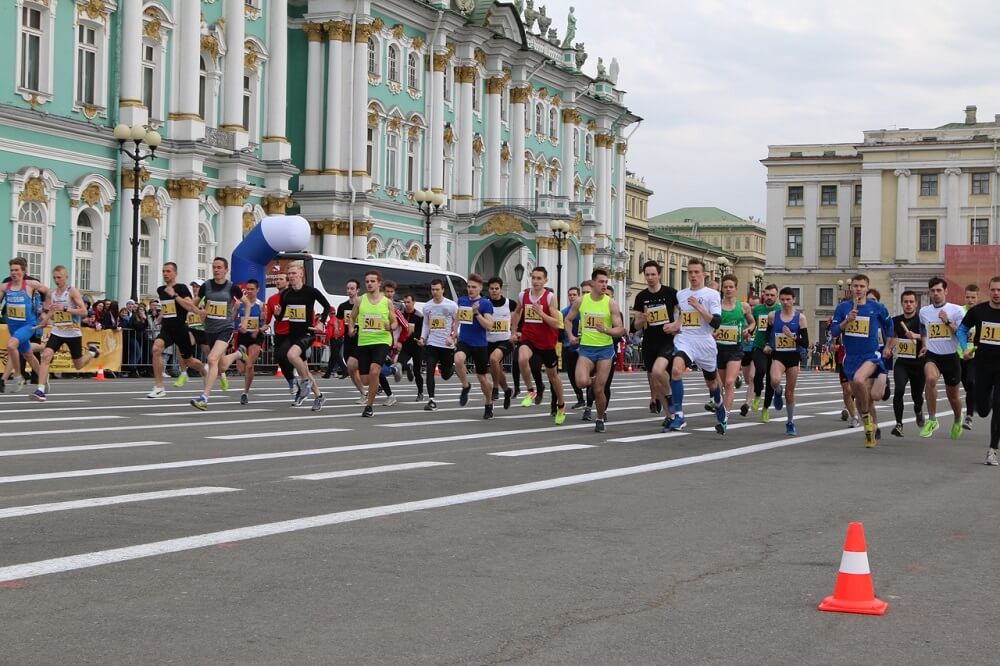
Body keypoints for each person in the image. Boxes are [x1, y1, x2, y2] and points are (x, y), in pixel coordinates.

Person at [662, 258, 726, 434]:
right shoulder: (681, 295)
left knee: (712, 384)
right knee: (676, 370)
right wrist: (674, 327)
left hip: (705, 342)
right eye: (690, 272)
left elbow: (716, 323)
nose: (693, 275)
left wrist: (699, 307)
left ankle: (719, 405)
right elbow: (683, 317)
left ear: (704, 274)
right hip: (686, 340)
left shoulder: (712, 295)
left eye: (696, 272)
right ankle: (679, 416)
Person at [830, 274, 893, 447]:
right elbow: (834, 331)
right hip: (851, 358)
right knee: (858, 394)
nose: (858, 289)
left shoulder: (877, 307)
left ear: (867, 287)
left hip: (871, 355)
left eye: (861, 286)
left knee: (859, 380)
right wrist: (846, 321)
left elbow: (890, 327)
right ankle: (868, 425)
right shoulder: (843, 308)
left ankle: (869, 422)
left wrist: (888, 346)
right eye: (855, 286)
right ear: (851, 288)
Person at [564, 268, 626, 433]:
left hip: (605, 350)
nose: (604, 285)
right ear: (593, 283)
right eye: (601, 282)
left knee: (599, 389)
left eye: (606, 282)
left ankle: (599, 418)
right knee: (581, 382)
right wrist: (570, 336)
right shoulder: (581, 301)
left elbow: (620, 329)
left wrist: (606, 330)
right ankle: (595, 379)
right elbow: (568, 319)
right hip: (586, 349)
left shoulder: (610, 303)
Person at [29, 265, 100, 401]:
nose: (57, 280)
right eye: (54, 278)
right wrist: (45, 320)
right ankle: (40, 390)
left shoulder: (72, 291)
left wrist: (66, 308)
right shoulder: (52, 293)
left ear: (66, 277)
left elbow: (84, 312)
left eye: (59, 277)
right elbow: (53, 309)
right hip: (57, 331)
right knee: (46, 356)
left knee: (78, 365)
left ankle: (92, 352)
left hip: (73, 333)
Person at [510, 267, 566, 424]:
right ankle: (530, 391)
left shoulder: (550, 298)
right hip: (529, 338)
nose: (535, 281)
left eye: (539, 278)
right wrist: (514, 331)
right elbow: (516, 313)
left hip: (547, 344)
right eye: (533, 277)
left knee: (553, 377)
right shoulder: (523, 295)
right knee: (522, 358)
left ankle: (561, 405)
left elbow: (557, 323)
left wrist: (541, 314)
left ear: (545, 281)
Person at [189, 257, 247, 410]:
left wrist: (245, 320)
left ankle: (204, 398)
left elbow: (246, 303)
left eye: (219, 267)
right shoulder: (206, 286)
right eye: (214, 267)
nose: (216, 270)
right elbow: (192, 305)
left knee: (212, 359)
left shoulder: (232, 287)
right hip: (210, 330)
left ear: (226, 270)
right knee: (220, 367)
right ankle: (238, 354)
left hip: (225, 328)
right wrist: (199, 311)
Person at [273, 262, 330, 410]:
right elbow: (280, 318)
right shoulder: (286, 294)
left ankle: (304, 384)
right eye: (289, 274)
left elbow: (327, 306)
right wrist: (277, 315)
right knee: (303, 367)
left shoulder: (310, 291)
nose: (291, 276)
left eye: (293, 274)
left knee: (292, 355)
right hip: (293, 334)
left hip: (307, 333)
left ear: (301, 275)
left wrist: (321, 323)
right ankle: (319, 396)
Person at [957, 276, 1000, 465]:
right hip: (982, 365)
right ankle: (988, 398)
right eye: (994, 290)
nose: (997, 293)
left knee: (999, 407)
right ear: (988, 290)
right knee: (982, 410)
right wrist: (965, 347)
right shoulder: (978, 311)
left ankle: (992, 449)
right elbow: (961, 330)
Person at [147, 262, 205, 398]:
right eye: (163, 271)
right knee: (156, 349)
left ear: (175, 273)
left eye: (168, 271)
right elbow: (168, 308)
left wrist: (174, 295)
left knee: (189, 361)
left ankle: (205, 369)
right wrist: (160, 317)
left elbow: (189, 306)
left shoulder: (182, 288)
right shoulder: (161, 290)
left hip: (180, 329)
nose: (165, 274)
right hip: (167, 329)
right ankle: (159, 387)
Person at [918, 276, 966, 439]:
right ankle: (932, 420)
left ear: (946, 291)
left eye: (939, 290)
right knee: (930, 379)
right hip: (933, 356)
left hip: (951, 358)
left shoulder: (957, 310)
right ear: (929, 293)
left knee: (953, 397)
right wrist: (924, 344)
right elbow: (924, 330)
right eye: (932, 291)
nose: (936, 293)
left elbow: (962, 334)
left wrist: (947, 321)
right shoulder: (924, 311)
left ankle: (958, 418)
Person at [632, 260, 678, 418]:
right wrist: (643, 318)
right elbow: (636, 325)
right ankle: (669, 415)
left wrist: (675, 325)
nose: (650, 277)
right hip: (649, 342)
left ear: (659, 275)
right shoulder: (641, 296)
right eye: (647, 275)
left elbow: (683, 313)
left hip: (667, 340)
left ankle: (671, 395)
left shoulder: (671, 293)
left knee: (660, 372)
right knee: (655, 381)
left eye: (653, 274)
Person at [349, 269, 397, 418]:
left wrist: (391, 326)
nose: (369, 284)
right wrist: (351, 328)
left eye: (372, 281)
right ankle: (388, 374)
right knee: (365, 380)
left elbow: (394, 321)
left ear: (379, 283)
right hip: (364, 342)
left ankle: (369, 406)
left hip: (382, 341)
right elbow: (351, 317)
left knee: (375, 370)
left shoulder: (387, 302)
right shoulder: (359, 300)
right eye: (367, 281)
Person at [763, 287, 808, 436]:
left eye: (788, 299)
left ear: (794, 300)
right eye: (782, 299)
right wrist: (768, 345)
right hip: (778, 355)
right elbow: (768, 334)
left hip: (793, 357)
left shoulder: (800, 318)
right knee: (774, 380)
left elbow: (806, 343)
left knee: (790, 393)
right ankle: (777, 391)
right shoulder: (772, 316)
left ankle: (790, 421)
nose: (785, 302)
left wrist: (793, 336)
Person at [454, 273, 496, 418]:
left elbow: (489, 326)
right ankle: (466, 386)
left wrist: (476, 313)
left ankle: (489, 403)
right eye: (469, 286)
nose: (470, 289)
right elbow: (458, 318)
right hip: (465, 341)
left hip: (480, 344)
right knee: (458, 359)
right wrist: (454, 333)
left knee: (482, 378)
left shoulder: (485, 303)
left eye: (474, 287)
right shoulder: (462, 300)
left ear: (480, 288)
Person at [885, 290, 926, 437]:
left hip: (919, 363)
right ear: (902, 303)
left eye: (911, 302)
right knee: (899, 390)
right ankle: (899, 424)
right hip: (902, 362)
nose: (908, 305)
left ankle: (918, 410)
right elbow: (893, 337)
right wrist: (889, 348)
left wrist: (915, 336)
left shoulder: (922, 320)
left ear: (916, 303)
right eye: (906, 302)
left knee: (917, 396)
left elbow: (929, 337)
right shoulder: (896, 321)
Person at [715, 274, 755, 419]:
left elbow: (752, 322)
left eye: (731, 287)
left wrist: (749, 329)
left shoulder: (743, 307)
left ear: (736, 289)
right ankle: (720, 407)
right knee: (721, 385)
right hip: (719, 348)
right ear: (722, 289)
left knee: (730, 382)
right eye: (725, 287)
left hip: (735, 348)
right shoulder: (716, 306)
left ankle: (725, 415)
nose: (728, 289)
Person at [419, 278, 459, 411]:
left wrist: (453, 336)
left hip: (447, 345)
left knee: (445, 375)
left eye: (437, 289)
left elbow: (458, 324)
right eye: (433, 289)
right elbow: (426, 324)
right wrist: (423, 338)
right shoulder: (427, 306)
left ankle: (451, 369)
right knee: (430, 370)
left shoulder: (451, 305)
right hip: (432, 343)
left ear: (443, 290)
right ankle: (431, 400)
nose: (435, 292)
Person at [486, 277, 517, 410]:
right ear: (488, 290)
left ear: (501, 289)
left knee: (494, 360)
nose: (494, 291)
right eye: (492, 289)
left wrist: (517, 332)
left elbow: (520, 315)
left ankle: (495, 388)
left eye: (496, 288)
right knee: (496, 366)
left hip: (505, 340)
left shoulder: (510, 303)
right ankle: (507, 390)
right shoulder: (485, 303)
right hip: (489, 340)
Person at [750, 284, 780, 422]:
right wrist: (748, 330)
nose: (769, 297)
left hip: (775, 349)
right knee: (760, 371)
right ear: (763, 295)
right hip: (759, 346)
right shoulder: (757, 309)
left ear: (777, 296)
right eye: (767, 295)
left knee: (770, 380)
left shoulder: (780, 309)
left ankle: (766, 408)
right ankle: (757, 395)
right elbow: (751, 323)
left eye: (772, 295)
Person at [336, 278, 368, 403]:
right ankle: (363, 393)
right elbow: (339, 320)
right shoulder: (343, 306)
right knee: (350, 369)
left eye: (352, 289)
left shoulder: (363, 305)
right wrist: (338, 329)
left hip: (362, 340)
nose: (349, 291)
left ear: (358, 290)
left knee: (362, 366)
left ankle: (375, 383)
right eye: (348, 288)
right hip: (348, 340)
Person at [234, 279, 265, 405]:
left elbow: (266, 324)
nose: (249, 291)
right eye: (248, 289)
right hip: (242, 337)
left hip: (255, 337)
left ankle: (245, 393)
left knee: (249, 365)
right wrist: (238, 326)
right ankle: (245, 359)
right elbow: (231, 318)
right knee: (241, 369)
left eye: (252, 289)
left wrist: (258, 329)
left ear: (258, 290)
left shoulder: (261, 305)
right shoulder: (239, 304)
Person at [265, 271, 296, 394]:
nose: (277, 281)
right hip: (279, 332)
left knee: (285, 355)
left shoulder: (294, 295)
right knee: (279, 357)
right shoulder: (272, 299)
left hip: (292, 332)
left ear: (288, 282)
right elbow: (267, 319)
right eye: (276, 279)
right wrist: (264, 322)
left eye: (281, 279)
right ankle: (292, 382)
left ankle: (303, 382)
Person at [561, 286, 585, 409]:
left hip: (584, 347)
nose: (572, 297)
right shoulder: (564, 312)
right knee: (571, 374)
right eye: (570, 295)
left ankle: (590, 398)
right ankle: (580, 398)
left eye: (574, 295)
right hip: (569, 346)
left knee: (585, 373)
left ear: (579, 296)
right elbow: (560, 329)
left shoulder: (584, 310)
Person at [398, 293, 425, 400]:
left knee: (417, 371)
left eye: (409, 302)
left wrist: (411, 334)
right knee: (399, 363)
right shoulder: (401, 314)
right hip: (405, 346)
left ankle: (420, 392)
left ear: (414, 302)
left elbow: (421, 331)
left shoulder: (419, 316)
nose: (407, 304)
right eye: (405, 302)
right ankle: (407, 368)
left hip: (417, 346)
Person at [960, 284, 980, 430]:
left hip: (974, 356)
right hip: (959, 356)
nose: (970, 300)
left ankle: (969, 416)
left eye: (973, 297)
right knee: (967, 386)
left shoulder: (981, 313)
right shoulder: (959, 311)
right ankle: (975, 400)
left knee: (971, 382)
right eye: (968, 297)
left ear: (977, 298)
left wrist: (971, 350)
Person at [738, 293, 760, 415]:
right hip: (743, 349)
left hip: (756, 349)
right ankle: (740, 377)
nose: (753, 308)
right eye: (751, 305)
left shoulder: (761, 317)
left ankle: (747, 403)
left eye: (755, 306)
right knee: (747, 379)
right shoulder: (743, 316)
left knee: (752, 377)